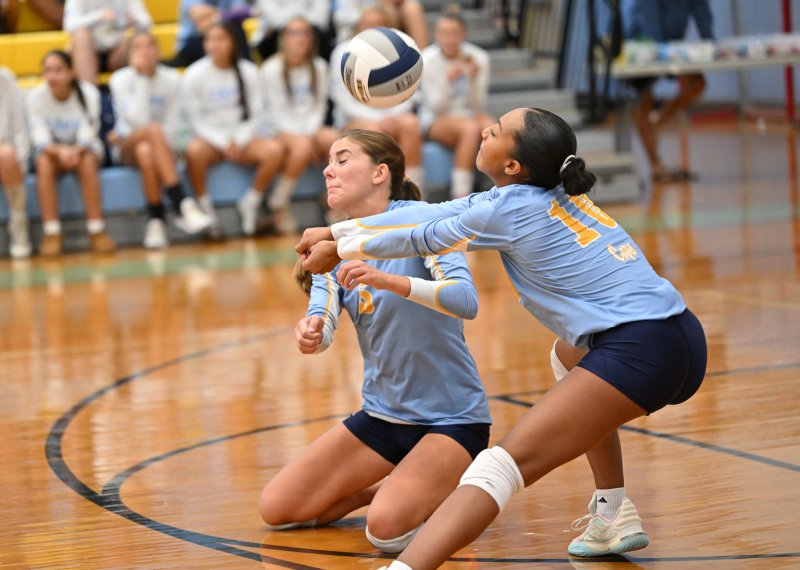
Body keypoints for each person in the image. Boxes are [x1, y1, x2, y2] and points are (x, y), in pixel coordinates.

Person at [297, 107, 708, 568]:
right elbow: (435, 212)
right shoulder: (539, 191)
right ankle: (612, 514)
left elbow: (424, 236)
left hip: (642, 349)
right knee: (566, 357)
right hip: (683, 335)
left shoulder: (509, 208)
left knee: (499, 467)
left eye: (494, 132)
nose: (484, 129)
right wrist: (334, 231)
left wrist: (340, 244)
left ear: (512, 165)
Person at [258, 129, 491, 555]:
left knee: (385, 533)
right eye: (328, 161)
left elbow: (466, 300)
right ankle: (390, 486)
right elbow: (323, 318)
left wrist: (390, 280)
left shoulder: (422, 220)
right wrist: (311, 333)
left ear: (381, 173)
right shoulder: (336, 244)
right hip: (384, 418)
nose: (328, 169)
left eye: (343, 159)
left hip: (451, 420)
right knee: (277, 509)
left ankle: (442, 481)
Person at [108, 31, 211, 249]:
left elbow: (174, 124)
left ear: (158, 51)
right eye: (138, 47)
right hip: (127, 144)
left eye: (149, 46)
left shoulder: (172, 79)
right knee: (151, 131)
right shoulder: (120, 79)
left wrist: (159, 142)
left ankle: (156, 221)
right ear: (129, 55)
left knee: (147, 151)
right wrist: (143, 78)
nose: (144, 51)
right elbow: (136, 121)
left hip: (160, 146)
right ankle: (182, 202)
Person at [182, 21, 286, 238]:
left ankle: (251, 202)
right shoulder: (194, 74)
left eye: (220, 39)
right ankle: (205, 209)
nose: (214, 45)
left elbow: (256, 113)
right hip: (211, 141)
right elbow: (195, 119)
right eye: (209, 39)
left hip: (243, 138)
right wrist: (223, 142)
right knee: (193, 151)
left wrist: (238, 141)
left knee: (274, 150)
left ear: (233, 42)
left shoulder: (248, 72)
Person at [25, 50, 116, 256]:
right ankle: (52, 232)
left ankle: (96, 229)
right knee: (43, 163)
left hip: (82, 151)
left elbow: (89, 132)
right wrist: (60, 151)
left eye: (58, 70)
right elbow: (39, 136)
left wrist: (74, 151)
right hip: (51, 153)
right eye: (47, 71)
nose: (52, 76)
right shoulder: (35, 97)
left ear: (71, 73)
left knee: (88, 161)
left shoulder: (89, 94)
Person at [329, 6, 424, 197]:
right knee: (373, 130)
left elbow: (410, 91)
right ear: (358, 26)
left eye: (376, 25)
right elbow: (343, 100)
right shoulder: (343, 52)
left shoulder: (400, 49)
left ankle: (411, 194)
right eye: (366, 24)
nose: (370, 30)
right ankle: (377, 198)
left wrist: (390, 116)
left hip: (392, 115)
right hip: (353, 117)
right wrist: (379, 119)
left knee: (411, 123)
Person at [260, 16, 338, 234]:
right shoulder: (271, 69)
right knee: (302, 147)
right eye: (294, 33)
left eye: (305, 33)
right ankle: (278, 203)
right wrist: (305, 138)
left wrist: (311, 135)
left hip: (309, 129)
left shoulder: (319, 67)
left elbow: (319, 107)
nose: (300, 39)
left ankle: (335, 200)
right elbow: (275, 114)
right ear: (284, 39)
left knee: (337, 141)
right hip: (278, 129)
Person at [623, 0, 713, 182]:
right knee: (643, 100)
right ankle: (656, 165)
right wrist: (660, 55)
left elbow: (701, 9)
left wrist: (710, 42)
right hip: (639, 41)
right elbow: (647, 16)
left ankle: (660, 121)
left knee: (697, 83)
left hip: (671, 45)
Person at [420, 8, 494, 199]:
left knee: (494, 128)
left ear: (464, 34)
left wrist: (473, 79)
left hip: (468, 114)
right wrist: (447, 82)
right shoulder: (427, 60)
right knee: (469, 129)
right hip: (435, 119)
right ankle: (461, 196)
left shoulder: (478, 58)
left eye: (455, 33)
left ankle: (501, 186)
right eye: (444, 33)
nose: (450, 39)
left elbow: (478, 105)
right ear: (436, 35)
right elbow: (436, 108)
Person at [63, 0, 152, 84]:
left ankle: (136, 90)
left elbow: (147, 22)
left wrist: (135, 20)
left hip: (119, 52)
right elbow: (69, 25)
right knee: (81, 36)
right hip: (88, 51)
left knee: (139, 39)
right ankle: (89, 95)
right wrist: (98, 16)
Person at [0, 67, 31, 258]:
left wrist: (21, 161)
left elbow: (20, 129)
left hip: (4, 156)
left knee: (8, 153)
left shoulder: (5, 78)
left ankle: (19, 225)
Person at [169, 0, 251, 68]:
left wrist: (214, 15)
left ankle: (244, 69)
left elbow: (244, 11)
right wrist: (229, 14)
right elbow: (201, 22)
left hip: (221, 38)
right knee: (215, 32)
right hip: (192, 43)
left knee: (235, 29)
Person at [250, 0, 333, 62]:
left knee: (319, 36)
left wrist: (301, 25)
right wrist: (295, 24)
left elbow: (321, 14)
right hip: (278, 30)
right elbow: (272, 14)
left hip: (312, 27)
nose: (299, 39)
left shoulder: (320, 66)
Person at [334, 0, 428, 49]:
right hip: (353, 31)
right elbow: (341, 17)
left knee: (412, 8)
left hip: (383, 18)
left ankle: (422, 60)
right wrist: (369, 14)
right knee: (373, 19)